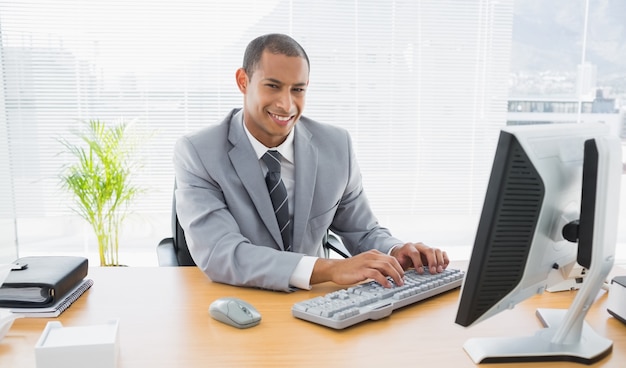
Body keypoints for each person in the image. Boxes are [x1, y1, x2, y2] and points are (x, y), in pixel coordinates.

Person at [174, 33, 449, 292]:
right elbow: (222, 253)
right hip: (243, 302)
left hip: (317, 303)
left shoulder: (336, 145)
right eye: (273, 86)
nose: (286, 104)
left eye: (298, 89)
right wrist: (330, 269)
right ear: (243, 81)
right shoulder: (199, 152)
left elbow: (362, 230)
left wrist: (395, 252)